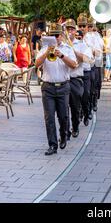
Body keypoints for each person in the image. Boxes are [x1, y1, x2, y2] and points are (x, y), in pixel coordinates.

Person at [35, 23, 78, 156]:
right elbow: (36, 64)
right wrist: (46, 53)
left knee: (63, 116)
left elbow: (74, 65)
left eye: (57, 35)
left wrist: (62, 56)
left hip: (63, 86)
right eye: (53, 35)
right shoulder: (45, 48)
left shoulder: (67, 48)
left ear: (61, 36)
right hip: (48, 87)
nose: (56, 38)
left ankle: (64, 135)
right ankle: (52, 145)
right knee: (49, 118)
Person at [67, 19, 93, 138]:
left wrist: (72, 48)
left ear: (75, 30)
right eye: (67, 29)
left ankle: (76, 126)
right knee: (63, 109)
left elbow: (86, 59)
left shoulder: (81, 45)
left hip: (76, 79)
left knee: (75, 106)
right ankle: (65, 131)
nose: (70, 31)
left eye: (71, 29)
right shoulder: (60, 44)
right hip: (63, 80)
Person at [77, 15, 95, 127]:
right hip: (77, 72)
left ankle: (87, 110)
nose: (82, 27)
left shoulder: (91, 38)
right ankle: (80, 113)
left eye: (84, 26)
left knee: (87, 94)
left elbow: (93, 56)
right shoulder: (74, 38)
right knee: (78, 96)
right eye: (80, 26)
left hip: (88, 70)